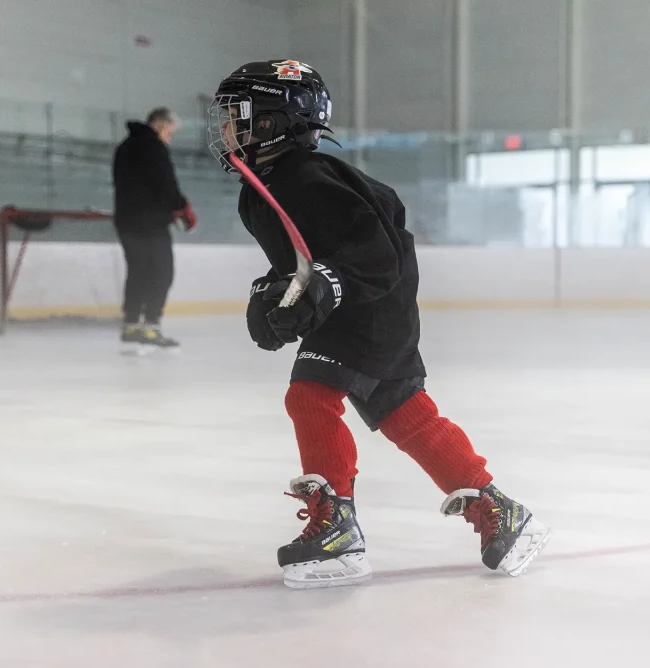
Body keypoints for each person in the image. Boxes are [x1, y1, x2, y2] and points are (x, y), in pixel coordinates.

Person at [208, 60, 551, 589]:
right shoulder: (264, 185)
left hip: (367, 311)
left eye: (239, 115)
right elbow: (302, 257)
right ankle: (500, 511)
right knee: (406, 415)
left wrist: (325, 285)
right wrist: (271, 294)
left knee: (310, 398)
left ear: (276, 121)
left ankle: (338, 529)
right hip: (378, 313)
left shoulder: (307, 177)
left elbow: (375, 255)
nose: (227, 128)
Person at [112, 107, 197, 348]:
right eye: (170, 130)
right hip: (150, 223)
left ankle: (130, 325)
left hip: (126, 221)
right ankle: (150, 326)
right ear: (160, 124)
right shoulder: (153, 147)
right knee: (161, 273)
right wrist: (181, 207)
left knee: (138, 272)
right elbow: (165, 181)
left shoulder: (124, 146)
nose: (170, 136)